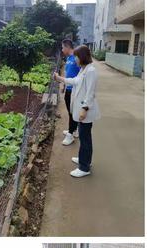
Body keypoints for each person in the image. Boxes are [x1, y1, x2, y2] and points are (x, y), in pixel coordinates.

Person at [54, 45, 100, 178]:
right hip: (82, 110)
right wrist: (60, 79)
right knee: (84, 137)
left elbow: (90, 92)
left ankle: (84, 167)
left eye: (76, 56)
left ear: (82, 57)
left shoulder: (91, 71)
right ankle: (83, 159)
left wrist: (85, 109)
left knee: (85, 139)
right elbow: (75, 81)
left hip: (85, 111)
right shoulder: (84, 69)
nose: (75, 59)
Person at [61, 39, 80, 146]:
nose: (62, 49)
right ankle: (74, 130)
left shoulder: (76, 58)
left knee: (72, 112)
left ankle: (70, 135)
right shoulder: (68, 58)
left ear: (68, 47)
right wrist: (63, 85)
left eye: (63, 47)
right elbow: (68, 73)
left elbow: (81, 75)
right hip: (68, 89)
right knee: (70, 112)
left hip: (74, 91)